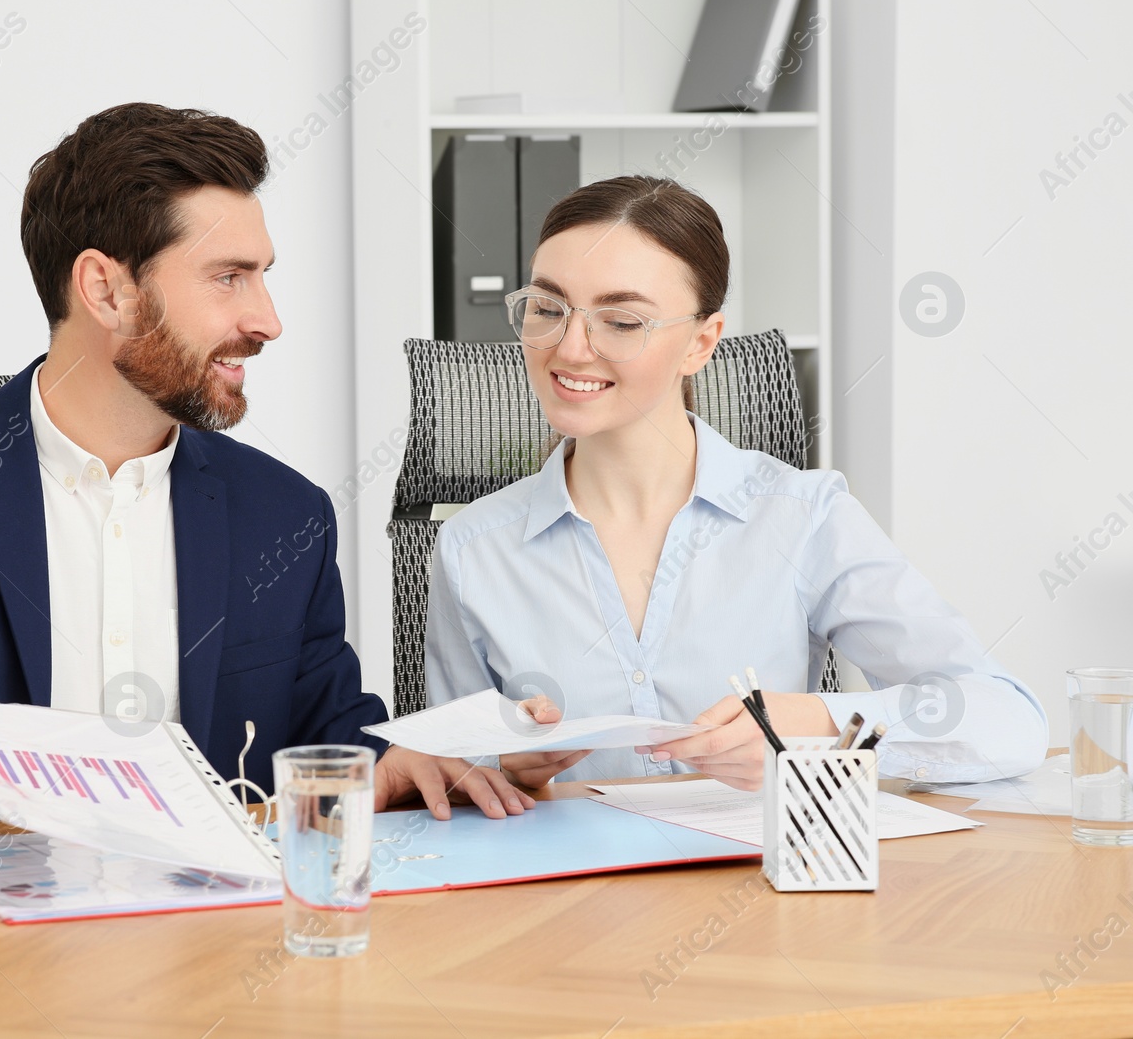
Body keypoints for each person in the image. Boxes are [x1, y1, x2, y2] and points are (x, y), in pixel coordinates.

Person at [0, 102, 534, 831]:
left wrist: (404, 762)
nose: (268, 319)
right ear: (106, 288)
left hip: (211, 965)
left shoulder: (285, 514)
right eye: (228, 277)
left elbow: (327, 732)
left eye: (263, 276)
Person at [426, 175, 1047, 792]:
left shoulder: (804, 518)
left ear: (701, 342)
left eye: (621, 320)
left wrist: (823, 728)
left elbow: (1008, 719)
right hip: (569, 888)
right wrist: (495, 769)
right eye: (548, 309)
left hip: (763, 885)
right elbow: (453, 778)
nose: (571, 346)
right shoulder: (473, 547)